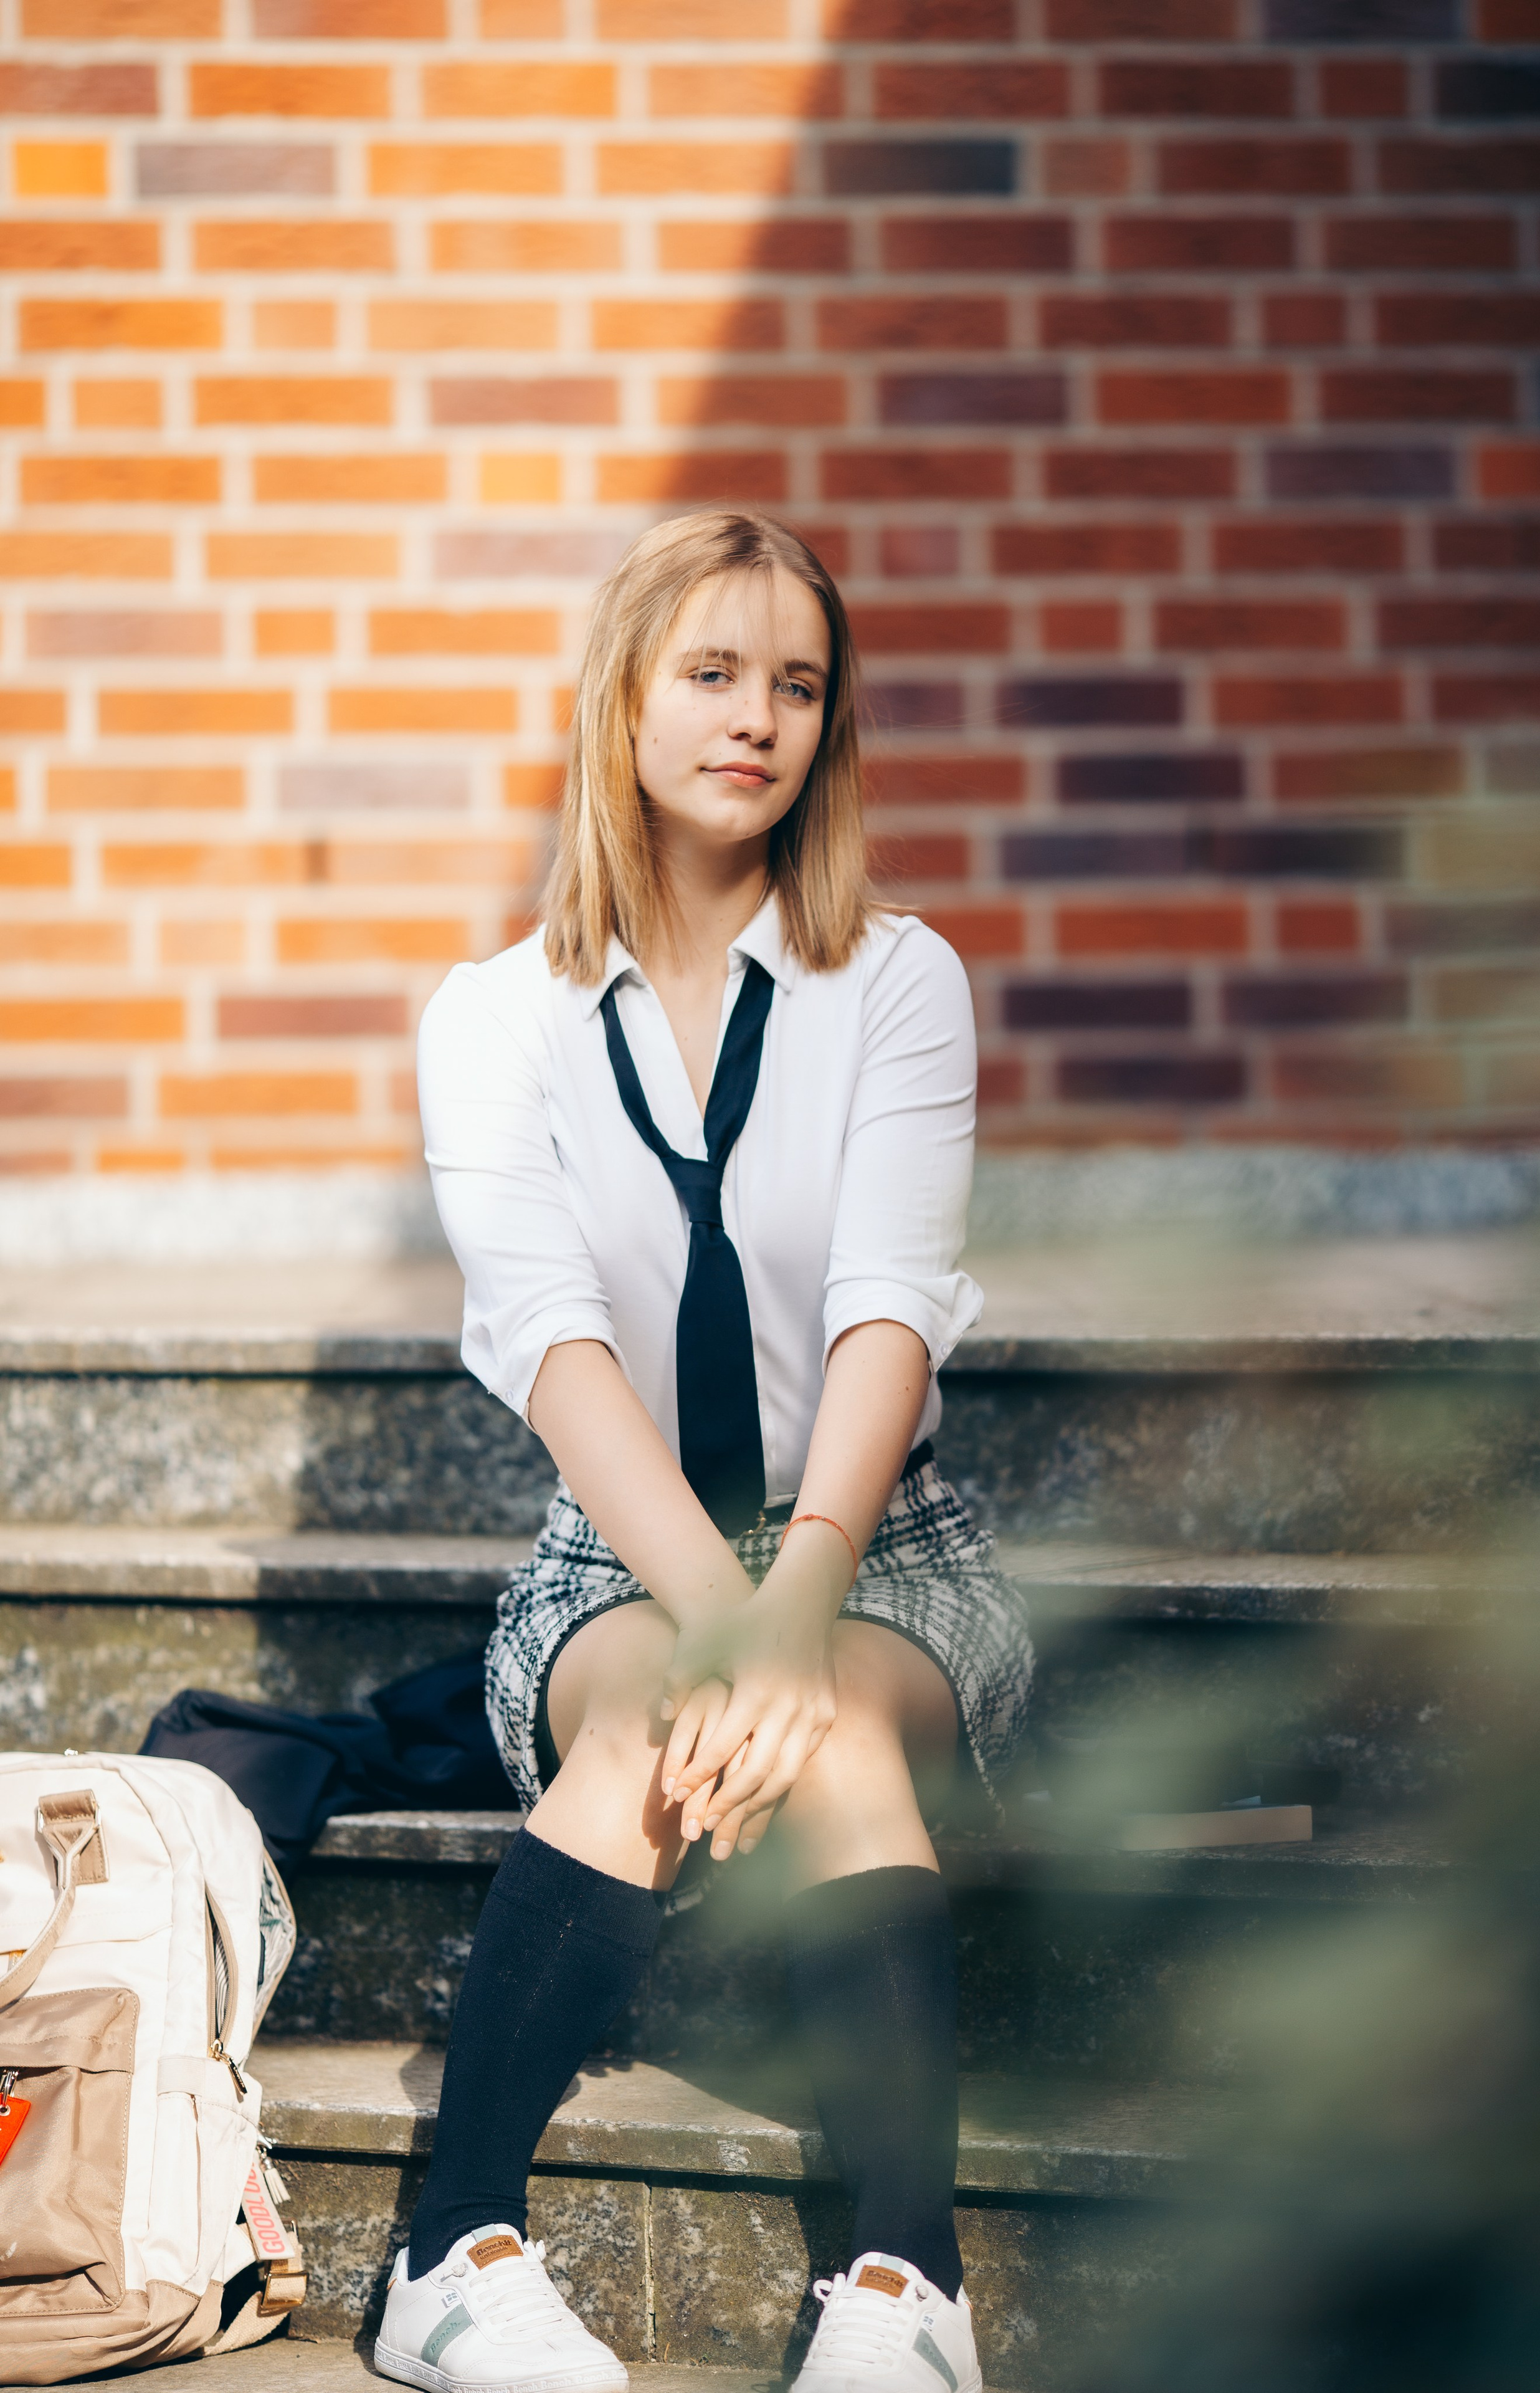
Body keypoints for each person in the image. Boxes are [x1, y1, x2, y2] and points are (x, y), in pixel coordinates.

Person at [376, 510, 1034, 2393]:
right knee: (659, 1709)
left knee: (812, 1713)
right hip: (622, 1542)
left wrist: (795, 1603)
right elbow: (554, 1349)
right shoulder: (493, 1018)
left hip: (879, 1541)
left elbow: (892, 1311)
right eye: (715, 671)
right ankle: (450, 2257)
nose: (759, 718)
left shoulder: (897, 980)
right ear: (626, 698)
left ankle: (907, 2295)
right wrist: (722, 1617)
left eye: (800, 684)